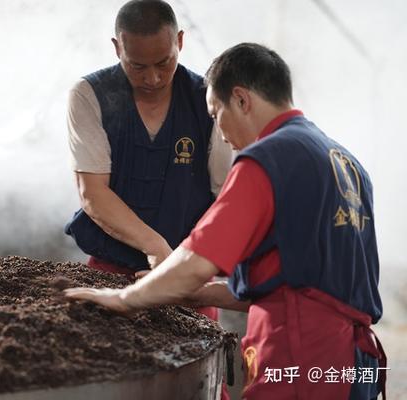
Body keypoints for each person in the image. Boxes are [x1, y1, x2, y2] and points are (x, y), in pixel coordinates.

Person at [65, 43, 386, 400]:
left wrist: (125, 298)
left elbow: (198, 259)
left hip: (299, 354)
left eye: (216, 116)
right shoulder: (347, 163)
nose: (220, 134)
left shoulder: (267, 159)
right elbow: (297, 281)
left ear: (242, 100)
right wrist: (196, 294)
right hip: (353, 362)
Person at [64, 0, 232, 322]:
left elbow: (223, 196)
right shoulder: (88, 96)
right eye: (138, 66)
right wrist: (155, 247)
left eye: (164, 63)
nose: (153, 78)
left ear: (179, 42)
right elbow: (92, 193)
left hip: (187, 278)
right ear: (117, 48)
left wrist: (183, 264)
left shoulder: (208, 99)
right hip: (110, 274)